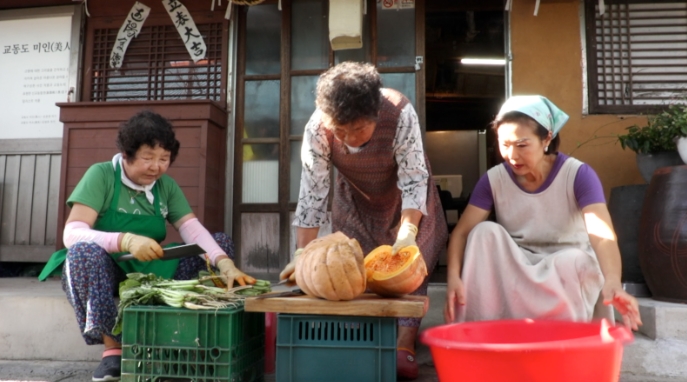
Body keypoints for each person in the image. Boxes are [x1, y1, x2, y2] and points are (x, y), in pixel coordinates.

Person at [38, 111, 255, 382]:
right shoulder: (102, 175)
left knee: (218, 243)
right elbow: (72, 233)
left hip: (149, 271)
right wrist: (124, 240)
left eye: (164, 159)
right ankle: (113, 351)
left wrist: (223, 261)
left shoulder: (166, 186)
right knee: (82, 254)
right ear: (127, 154)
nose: (156, 167)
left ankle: (187, 339)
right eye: (148, 158)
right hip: (107, 269)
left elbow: (191, 228)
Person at [280, 62, 448, 381]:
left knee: (411, 269)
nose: (348, 138)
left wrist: (408, 232)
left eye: (357, 129)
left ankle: (404, 342)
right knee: (353, 269)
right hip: (355, 199)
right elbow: (312, 192)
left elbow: (414, 180)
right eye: (340, 131)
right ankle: (364, 340)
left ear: (374, 113)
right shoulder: (318, 128)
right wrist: (302, 254)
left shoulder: (398, 111)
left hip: (405, 198)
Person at [443, 95, 642, 330]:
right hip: (518, 268)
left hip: (567, 270)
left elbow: (602, 236)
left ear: (546, 138)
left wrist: (612, 281)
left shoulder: (578, 175)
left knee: (574, 259)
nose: (512, 156)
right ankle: (482, 335)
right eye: (504, 144)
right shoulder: (494, 179)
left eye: (522, 145)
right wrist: (453, 277)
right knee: (484, 232)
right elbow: (462, 233)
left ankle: (562, 346)